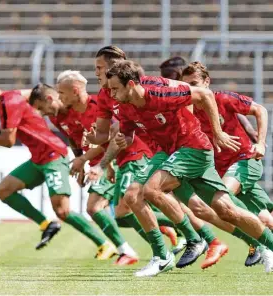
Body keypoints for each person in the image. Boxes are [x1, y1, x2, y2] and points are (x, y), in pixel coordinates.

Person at [106, 60, 273, 275]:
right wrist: (124, 139)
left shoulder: (158, 94)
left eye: (114, 89)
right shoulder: (126, 107)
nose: (110, 94)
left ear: (130, 85)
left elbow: (205, 96)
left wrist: (219, 133)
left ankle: (186, 244)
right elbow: (128, 133)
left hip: (194, 148)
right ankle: (265, 245)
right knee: (224, 209)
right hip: (171, 152)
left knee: (151, 190)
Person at [86, 46, 227, 275]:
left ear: (116, 70)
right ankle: (166, 254)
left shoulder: (153, 89)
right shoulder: (112, 97)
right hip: (162, 150)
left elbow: (200, 97)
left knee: (209, 206)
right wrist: (109, 141)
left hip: (171, 149)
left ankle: (205, 239)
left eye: (99, 68)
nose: (96, 73)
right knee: (134, 200)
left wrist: (217, 132)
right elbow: (120, 133)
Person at [0, 66, 112, 256]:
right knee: (4, 190)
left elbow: (9, 141)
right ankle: (46, 224)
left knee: (62, 210)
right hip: (38, 158)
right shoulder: (12, 97)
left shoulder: (8, 102)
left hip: (52, 154)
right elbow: (34, 90)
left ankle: (105, 244)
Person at [30, 76, 141, 265]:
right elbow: (74, 139)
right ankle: (177, 233)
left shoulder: (92, 106)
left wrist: (86, 160)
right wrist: (81, 163)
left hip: (111, 161)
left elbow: (109, 138)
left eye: (41, 108)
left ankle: (130, 250)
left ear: (50, 99)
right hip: (96, 163)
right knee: (123, 213)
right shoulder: (59, 117)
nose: (43, 114)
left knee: (97, 207)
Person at [181, 61, 273, 266]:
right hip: (222, 170)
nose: (192, 89)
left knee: (223, 202)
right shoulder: (187, 110)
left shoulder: (222, 98)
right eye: (187, 85)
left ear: (207, 82)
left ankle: (261, 245)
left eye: (195, 83)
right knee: (266, 219)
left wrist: (260, 143)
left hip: (245, 160)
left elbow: (260, 110)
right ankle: (261, 241)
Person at [159, 56, 259, 144]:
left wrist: (248, 128)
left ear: (179, 72)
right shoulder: (172, 96)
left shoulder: (202, 94)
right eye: (163, 76)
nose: (165, 80)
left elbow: (229, 106)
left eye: (168, 75)